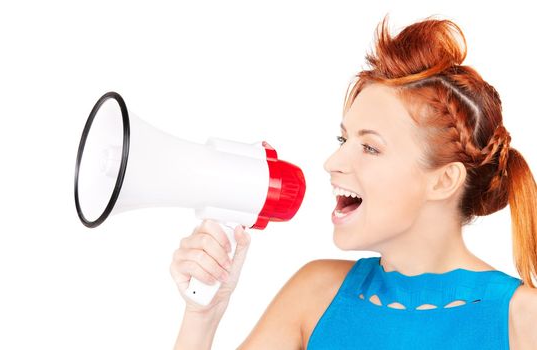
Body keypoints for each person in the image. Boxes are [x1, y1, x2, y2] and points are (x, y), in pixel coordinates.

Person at [170, 15, 537, 349]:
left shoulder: (523, 320)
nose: (333, 162)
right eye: (344, 141)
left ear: (443, 181)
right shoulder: (315, 293)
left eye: (371, 147)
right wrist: (203, 315)